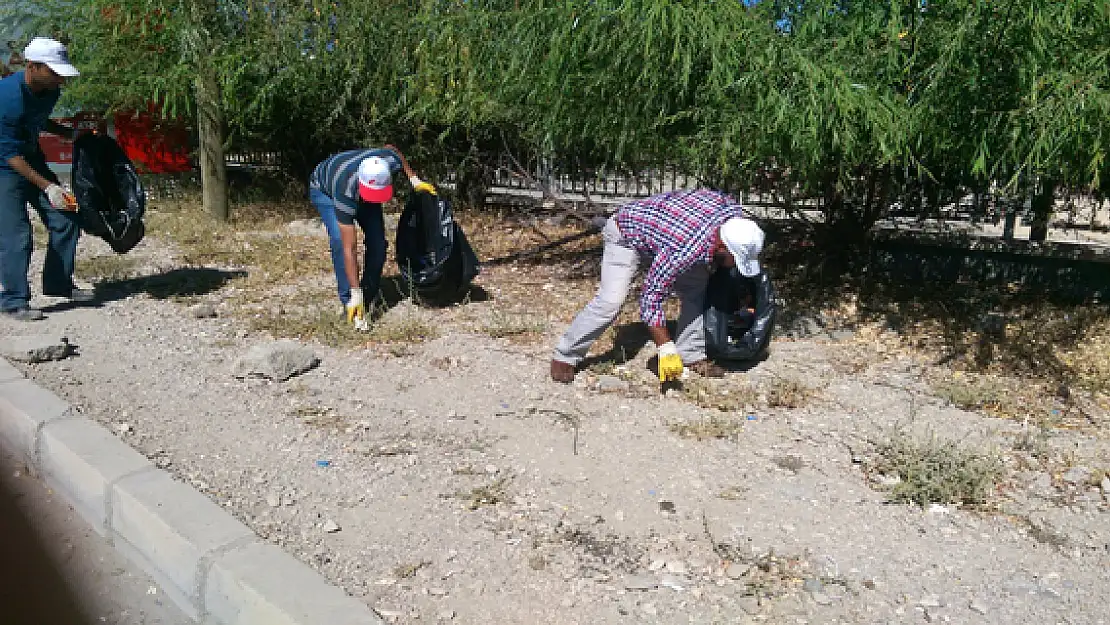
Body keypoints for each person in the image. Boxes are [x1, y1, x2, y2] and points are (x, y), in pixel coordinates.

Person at [550, 188, 765, 383]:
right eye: (734, 259)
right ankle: (565, 356)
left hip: (665, 232)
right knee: (610, 302)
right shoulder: (684, 249)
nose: (735, 265)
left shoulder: (735, 217)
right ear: (721, 246)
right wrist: (665, 348)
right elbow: (651, 298)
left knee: (698, 290)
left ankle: (690, 354)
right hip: (625, 233)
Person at [0, 37, 90, 321]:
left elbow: (37, 119)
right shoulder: (6, 97)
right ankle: (14, 301)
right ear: (34, 66)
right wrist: (47, 185)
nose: (60, 80)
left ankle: (58, 284)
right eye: (54, 72)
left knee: (66, 217)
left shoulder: (49, 91)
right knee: (17, 235)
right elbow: (8, 153)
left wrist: (67, 134)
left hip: (31, 159)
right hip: (4, 167)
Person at [309, 145, 434, 330]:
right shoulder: (345, 190)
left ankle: (369, 295)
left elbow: (394, 150)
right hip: (324, 190)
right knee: (338, 240)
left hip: (360, 185)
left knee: (378, 243)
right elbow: (349, 248)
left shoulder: (387, 162)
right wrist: (355, 292)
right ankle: (350, 302)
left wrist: (414, 179)